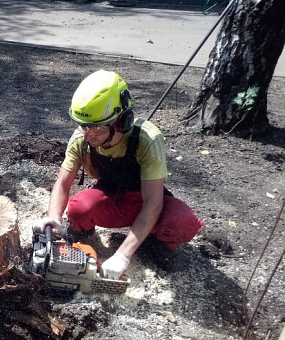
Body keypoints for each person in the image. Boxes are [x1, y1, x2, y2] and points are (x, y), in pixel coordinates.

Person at [34, 70, 203, 279]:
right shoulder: (82, 138)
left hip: (148, 202)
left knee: (182, 222)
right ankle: (85, 233)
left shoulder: (148, 139)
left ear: (120, 120)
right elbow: (62, 183)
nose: (88, 134)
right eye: (83, 125)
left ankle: (157, 244)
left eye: (96, 127)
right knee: (79, 209)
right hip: (112, 199)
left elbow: (153, 203)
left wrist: (122, 256)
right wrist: (53, 217)